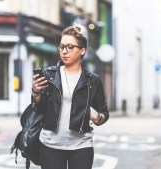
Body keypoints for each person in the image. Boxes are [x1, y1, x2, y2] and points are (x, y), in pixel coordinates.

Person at [31, 24, 109, 169]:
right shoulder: (50, 75)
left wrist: (96, 116)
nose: (64, 51)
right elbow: (39, 109)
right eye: (61, 47)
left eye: (70, 47)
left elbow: (104, 113)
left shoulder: (93, 80)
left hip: (81, 146)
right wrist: (35, 92)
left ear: (82, 50)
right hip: (50, 145)